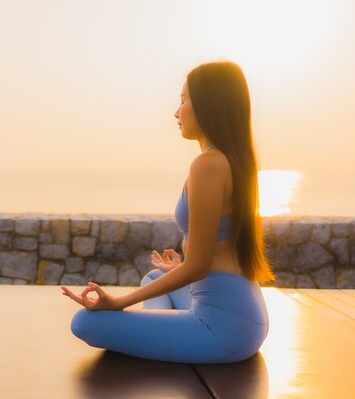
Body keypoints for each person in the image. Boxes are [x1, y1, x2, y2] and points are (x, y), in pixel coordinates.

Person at [62, 61, 274, 364]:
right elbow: (213, 257)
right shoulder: (233, 162)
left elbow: (198, 267)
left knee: (84, 323)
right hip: (246, 317)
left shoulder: (207, 166)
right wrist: (180, 270)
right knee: (153, 277)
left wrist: (118, 303)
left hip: (224, 330)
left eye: (183, 101)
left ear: (207, 105)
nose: (177, 112)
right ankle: (171, 330)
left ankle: (174, 332)